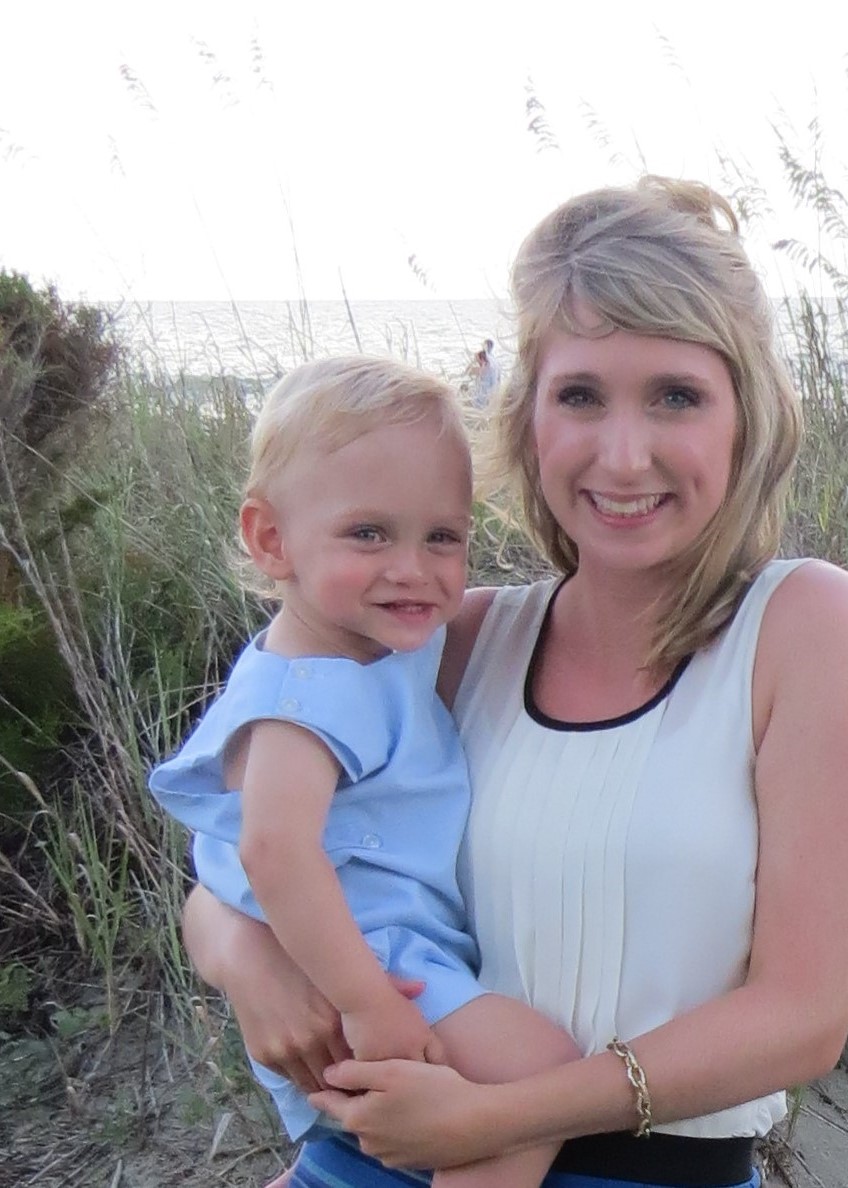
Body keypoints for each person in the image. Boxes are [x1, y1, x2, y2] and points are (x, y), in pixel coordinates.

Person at [183, 178, 848, 1188]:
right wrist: (242, 957)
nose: (624, 454)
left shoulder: (806, 630)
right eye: (580, 396)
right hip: (368, 1159)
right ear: (528, 416)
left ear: (746, 419)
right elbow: (249, 845)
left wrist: (494, 1121)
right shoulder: (447, 639)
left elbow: (802, 1018)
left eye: (676, 396)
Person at [150, 356, 577, 1188]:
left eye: (442, 537)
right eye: (368, 534)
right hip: (372, 966)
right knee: (540, 1073)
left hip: (378, 959)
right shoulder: (308, 695)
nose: (412, 568)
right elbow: (272, 849)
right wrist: (367, 1001)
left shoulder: (367, 650)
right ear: (271, 540)